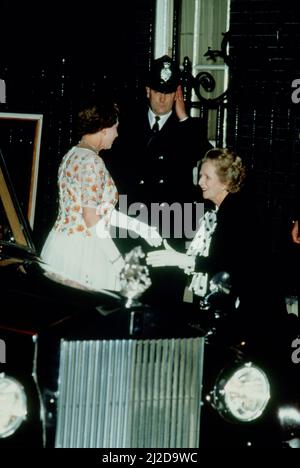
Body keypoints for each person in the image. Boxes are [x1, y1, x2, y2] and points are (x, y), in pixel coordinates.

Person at [146, 147, 284, 337]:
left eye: (207, 177)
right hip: (235, 309)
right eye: (200, 175)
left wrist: (181, 260)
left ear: (225, 182)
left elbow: (228, 263)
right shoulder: (223, 209)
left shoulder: (240, 213)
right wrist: (181, 256)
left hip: (253, 314)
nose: (200, 182)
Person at [40, 101, 162, 292]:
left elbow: (99, 210)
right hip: (84, 251)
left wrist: (141, 228)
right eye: (115, 128)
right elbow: (91, 218)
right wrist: (117, 262)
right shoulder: (92, 162)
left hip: (61, 244)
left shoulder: (71, 154)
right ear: (103, 129)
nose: (117, 134)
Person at [109, 55, 213, 246]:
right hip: (132, 217)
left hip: (171, 221)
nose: (163, 98)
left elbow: (209, 158)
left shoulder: (188, 127)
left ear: (176, 94)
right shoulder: (128, 122)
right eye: (158, 91)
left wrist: (184, 119)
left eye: (169, 91)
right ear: (148, 91)